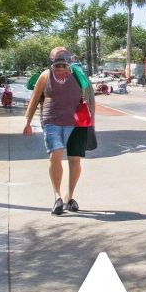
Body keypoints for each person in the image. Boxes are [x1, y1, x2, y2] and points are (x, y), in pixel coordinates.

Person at [23, 47, 94, 215]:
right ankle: (57, 197)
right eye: (58, 63)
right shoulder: (45, 76)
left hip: (76, 122)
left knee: (75, 159)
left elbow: (89, 98)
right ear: (52, 61)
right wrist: (27, 122)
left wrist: (91, 122)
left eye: (64, 63)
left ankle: (69, 197)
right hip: (52, 121)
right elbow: (34, 99)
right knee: (55, 156)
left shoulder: (78, 75)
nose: (61, 67)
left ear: (69, 61)